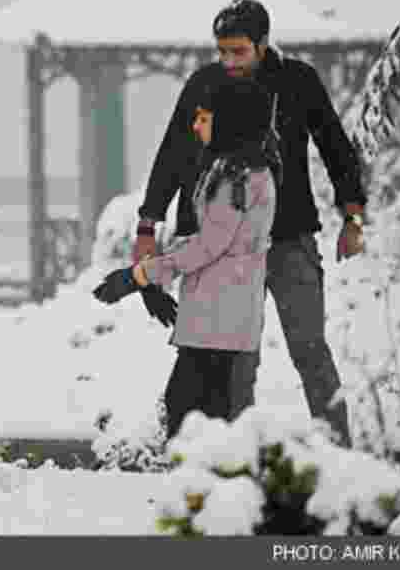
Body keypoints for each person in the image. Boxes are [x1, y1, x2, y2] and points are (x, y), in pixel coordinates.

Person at [130, 0, 367, 447]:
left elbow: (335, 146)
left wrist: (352, 214)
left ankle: (341, 451)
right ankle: (230, 457)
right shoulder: (205, 85)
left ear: (263, 44)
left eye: (238, 51)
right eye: (222, 51)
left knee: (310, 348)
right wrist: (148, 224)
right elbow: (173, 154)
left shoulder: (297, 81)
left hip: (289, 237)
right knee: (235, 357)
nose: (229, 61)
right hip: (225, 248)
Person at [94, 79, 278, 440]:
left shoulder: (235, 180)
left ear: (227, 121)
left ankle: (198, 487)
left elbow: (206, 246)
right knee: (197, 411)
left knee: (189, 411)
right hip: (218, 313)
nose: (195, 127)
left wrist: (139, 276)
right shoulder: (236, 171)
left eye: (203, 119)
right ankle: (201, 485)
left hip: (219, 317)